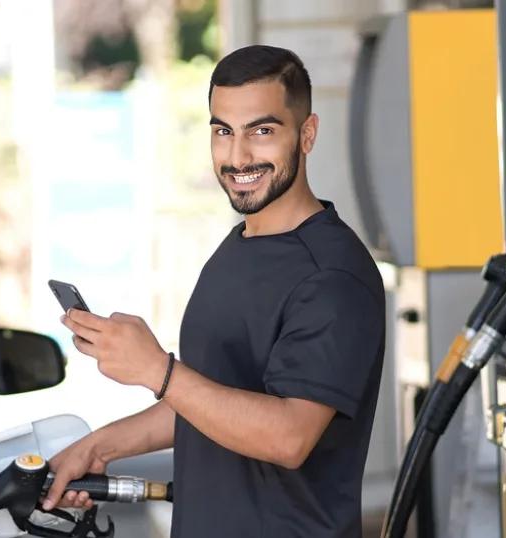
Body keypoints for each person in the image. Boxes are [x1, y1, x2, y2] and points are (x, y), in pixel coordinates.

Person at [45, 44, 385, 537]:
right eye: (223, 131)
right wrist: (99, 448)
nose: (238, 156)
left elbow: (289, 436)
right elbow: (208, 401)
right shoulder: (242, 244)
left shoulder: (332, 276)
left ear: (307, 134)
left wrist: (157, 371)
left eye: (262, 131)